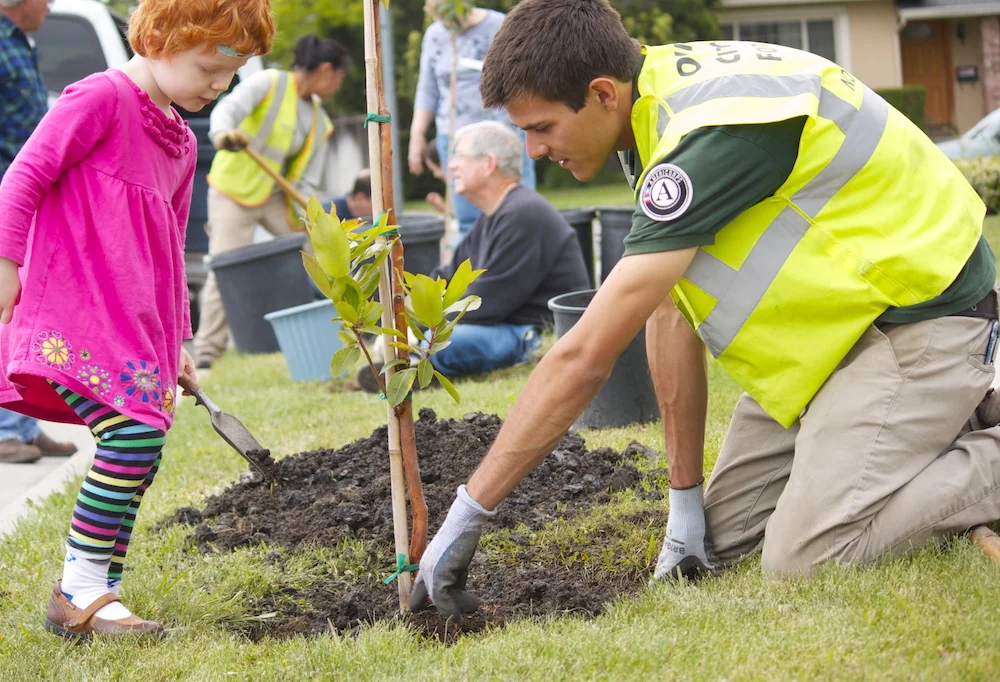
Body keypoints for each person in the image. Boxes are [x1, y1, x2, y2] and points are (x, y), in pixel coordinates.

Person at [407, 0, 1000, 619]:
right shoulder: (652, 119)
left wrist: (469, 513)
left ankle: (972, 438)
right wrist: (684, 503)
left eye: (543, 127)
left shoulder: (711, 135)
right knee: (722, 539)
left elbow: (583, 357)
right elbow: (669, 310)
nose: (529, 150)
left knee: (803, 558)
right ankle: (927, 433)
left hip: (919, 323)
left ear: (603, 93)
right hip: (833, 339)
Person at [0, 0, 274, 637]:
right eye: (210, 67)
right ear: (160, 37)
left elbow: (172, 247)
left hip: (134, 326)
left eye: (231, 75)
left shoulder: (177, 139)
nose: (221, 85)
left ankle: (97, 591)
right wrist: (6, 260)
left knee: (141, 450)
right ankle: (79, 594)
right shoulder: (99, 98)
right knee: (130, 439)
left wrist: (178, 337)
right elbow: (23, 177)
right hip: (74, 312)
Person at [358, 121, 589, 391]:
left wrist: (422, 329)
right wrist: (403, 316)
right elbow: (446, 277)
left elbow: (489, 302)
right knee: (440, 338)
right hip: (500, 324)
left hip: (529, 333)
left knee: (447, 342)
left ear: (489, 163)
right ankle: (410, 362)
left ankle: (413, 365)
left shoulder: (524, 214)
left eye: (459, 157)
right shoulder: (494, 216)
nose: (451, 166)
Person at [193, 34, 347, 369]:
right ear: (325, 70)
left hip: (276, 196)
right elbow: (228, 110)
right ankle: (206, 349)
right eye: (339, 76)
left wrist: (314, 212)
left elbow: (306, 177)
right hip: (235, 188)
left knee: (318, 253)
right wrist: (222, 135)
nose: (338, 84)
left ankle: (346, 330)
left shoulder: (321, 121)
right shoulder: (270, 83)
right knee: (226, 264)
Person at [0, 0, 79, 464]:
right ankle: (8, 426)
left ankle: (25, 425)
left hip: (24, 186)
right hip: (9, 183)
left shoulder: (18, 44)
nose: (50, 6)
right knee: (7, 304)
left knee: (26, 301)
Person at [408, 0, 536, 238]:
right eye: (439, 19)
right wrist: (417, 136)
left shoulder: (499, 25)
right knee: (467, 218)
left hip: (502, 136)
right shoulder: (435, 35)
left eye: (448, 17)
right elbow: (427, 90)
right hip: (455, 137)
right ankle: (473, 273)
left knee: (518, 211)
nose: (446, 25)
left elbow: (522, 80)